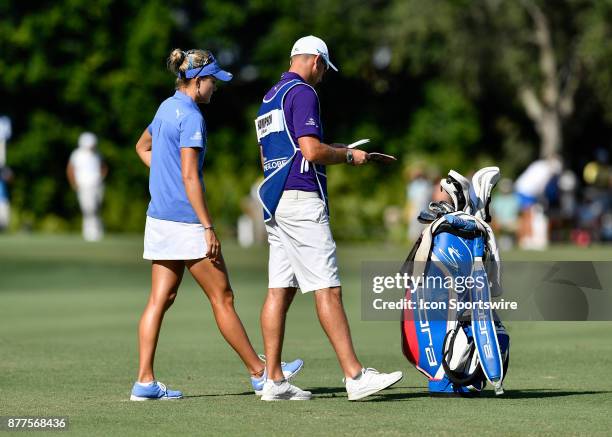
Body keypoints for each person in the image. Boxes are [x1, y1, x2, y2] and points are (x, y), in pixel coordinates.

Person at [131, 48, 302, 401]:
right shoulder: (191, 117)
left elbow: (142, 147)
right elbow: (191, 177)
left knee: (159, 299)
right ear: (196, 82)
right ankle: (259, 373)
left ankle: (144, 381)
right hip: (187, 222)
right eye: (212, 81)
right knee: (222, 297)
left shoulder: (165, 107)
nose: (215, 88)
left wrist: (165, 176)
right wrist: (208, 227)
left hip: (159, 218)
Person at [255, 36, 402, 401]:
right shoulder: (303, 92)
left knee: (280, 290)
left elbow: (272, 153)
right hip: (302, 200)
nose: (322, 76)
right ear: (315, 61)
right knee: (328, 287)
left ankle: (273, 380)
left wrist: (333, 149)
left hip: (275, 200)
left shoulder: (269, 97)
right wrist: (349, 156)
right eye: (323, 69)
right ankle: (354, 375)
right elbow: (310, 150)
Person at [66, 132, 107, 241]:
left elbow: (103, 167)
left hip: (97, 185)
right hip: (84, 185)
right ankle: (89, 231)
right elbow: (70, 169)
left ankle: (97, 229)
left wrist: (101, 178)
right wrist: (74, 183)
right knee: (88, 209)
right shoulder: (76, 154)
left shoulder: (97, 154)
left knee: (96, 208)